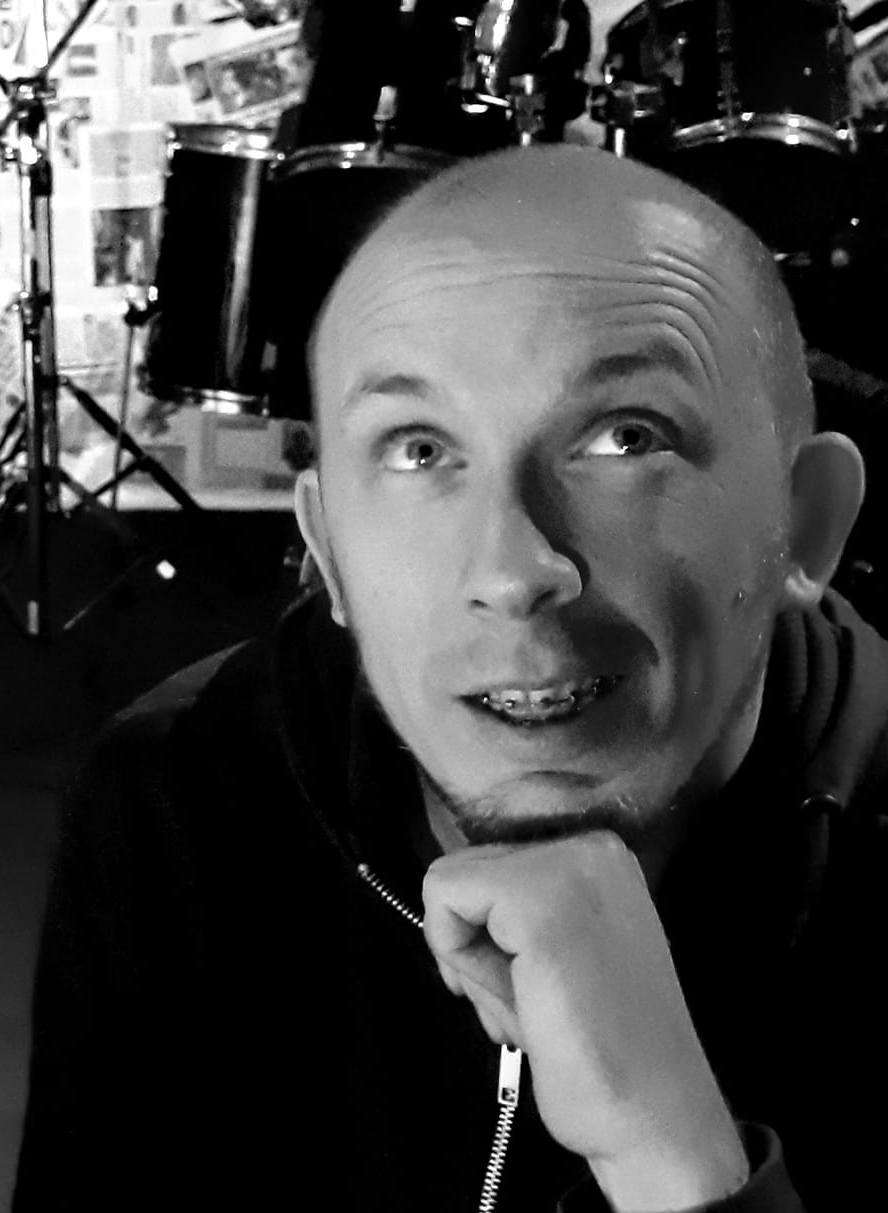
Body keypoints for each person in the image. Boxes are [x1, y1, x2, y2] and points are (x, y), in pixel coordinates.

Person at [13, 145, 887, 1213]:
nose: (512, 573)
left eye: (626, 437)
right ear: (328, 552)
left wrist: (674, 1161)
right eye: (419, 450)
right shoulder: (177, 794)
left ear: (808, 523)